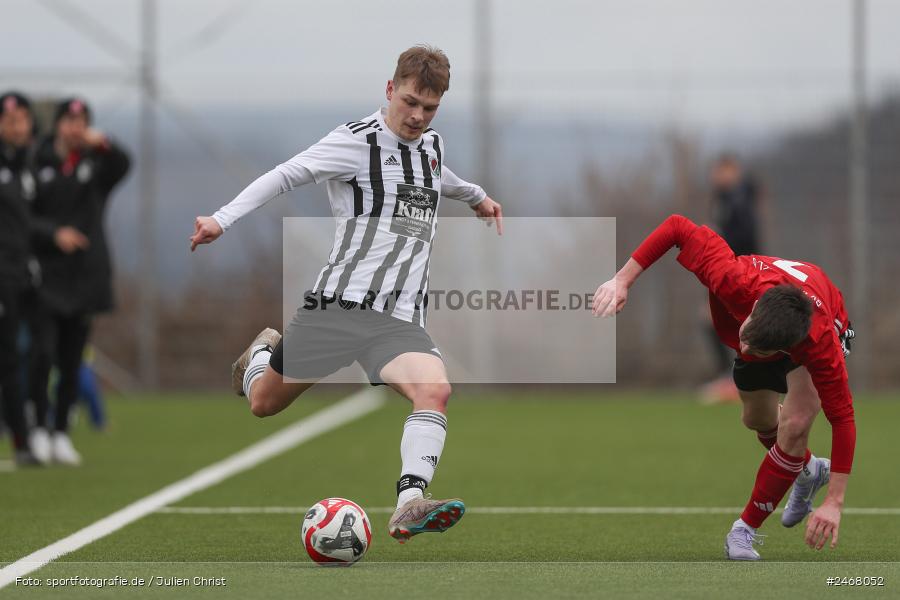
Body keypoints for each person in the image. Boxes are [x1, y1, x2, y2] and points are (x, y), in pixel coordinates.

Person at [190, 46, 502, 543]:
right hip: (338, 308)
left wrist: (477, 197)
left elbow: (439, 178)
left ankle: (409, 502)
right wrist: (221, 220)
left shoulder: (431, 145)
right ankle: (258, 358)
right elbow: (286, 174)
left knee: (434, 390)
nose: (418, 116)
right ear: (389, 90)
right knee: (264, 404)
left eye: (430, 107)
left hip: (397, 320)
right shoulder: (354, 143)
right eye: (410, 102)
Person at [592, 214, 854, 561]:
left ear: (784, 351)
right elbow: (676, 227)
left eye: (756, 350)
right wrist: (622, 280)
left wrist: (834, 502)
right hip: (776, 322)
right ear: (755, 307)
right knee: (758, 420)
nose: (744, 350)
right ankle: (806, 469)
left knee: (795, 425)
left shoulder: (820, 346)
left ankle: (743, 531)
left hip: (822, 319)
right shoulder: (734, 277)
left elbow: (844, 420)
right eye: (745, 335)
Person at [28, 97, 131, 465]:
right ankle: (37, 428)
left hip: (85, 277)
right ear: (57, 124)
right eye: (69, 121)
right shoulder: (35, 161)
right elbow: (20, 215)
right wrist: (54, 233)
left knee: (73, 360)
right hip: (45, 275)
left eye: (82, 121)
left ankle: (60, 433)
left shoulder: (95, 163)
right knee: (42, 355)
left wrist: (102, 143)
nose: (75, 128)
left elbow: (123, 164)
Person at [700, 155, 765, 403]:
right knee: (716, 321)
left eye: (722, 170)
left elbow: (745, 237)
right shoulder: (724, 199)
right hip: (729, 269)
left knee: (722, 321)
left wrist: (720, 239)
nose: (717, 176)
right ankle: (735, 378)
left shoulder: (739, 200)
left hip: (740, 270)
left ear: (734, 171)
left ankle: (735, 380)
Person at [0, 91, 40, 466]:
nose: (18, 127)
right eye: (10, 120)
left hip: (19, 277)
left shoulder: (26, 165)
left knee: (17, 356)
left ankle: (22, 440)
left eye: (22, 120)